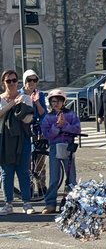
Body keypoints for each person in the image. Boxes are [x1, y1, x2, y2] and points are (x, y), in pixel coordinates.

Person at [0, 69, 36, 215]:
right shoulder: (1, 99)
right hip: (4, 139)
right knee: (6, 173)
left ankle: (27, 203)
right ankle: (8, 203)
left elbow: (29, 119)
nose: (12, 84)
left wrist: (21, 107)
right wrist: (12, 104)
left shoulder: (25, 98)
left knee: (23, 171)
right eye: (8, 81)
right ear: (3, 83)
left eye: (14, 80)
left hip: (22, 138)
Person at [40, 89, 81, 213]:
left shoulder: (71, 115)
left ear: (63, 102)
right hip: (54, 147)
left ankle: (72, 202)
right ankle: (50, 203)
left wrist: (65, 125)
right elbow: (47, 134)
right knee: (54, 177)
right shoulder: (48, 117)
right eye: (53, 101)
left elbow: (77, 129)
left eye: (58, 101)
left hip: (68, 147)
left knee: (71, 177)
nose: (55, 104)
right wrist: (57, 126)